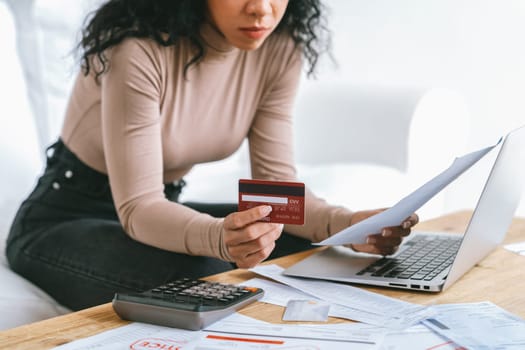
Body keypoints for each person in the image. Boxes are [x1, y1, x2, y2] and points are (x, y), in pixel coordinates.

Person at [6, 0, 418, 311]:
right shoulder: (136, 49)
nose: (260, 10)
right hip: (63, 219)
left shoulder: (278, 48)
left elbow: (274, 193)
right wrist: (221, 237)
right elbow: (138, 207)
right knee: (207, 275)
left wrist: (345, 224)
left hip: (160, 211)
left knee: (294, 239)